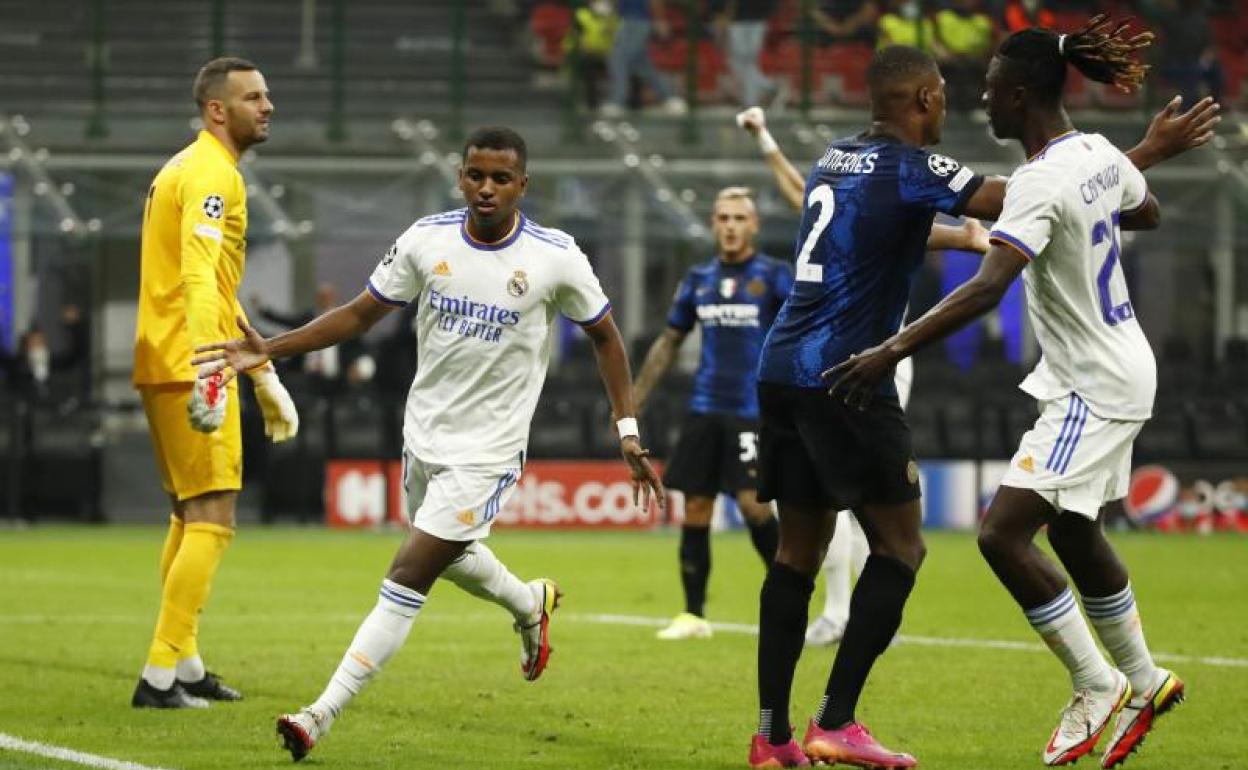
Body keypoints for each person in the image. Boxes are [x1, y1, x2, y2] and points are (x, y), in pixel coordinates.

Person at [745, 39, 1216, 768]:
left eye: (989, 90)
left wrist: (965, 236)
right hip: (849, 373)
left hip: (781, 366)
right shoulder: (922, 165)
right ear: (923, 100)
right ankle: (837, 721)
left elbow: (883, 230)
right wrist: (1140, 154)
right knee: (903, 546)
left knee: (795, 556)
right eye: (945, 92)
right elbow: (1030, 197)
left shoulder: (834, 159)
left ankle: (772, 738)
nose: (966, 103)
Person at [191, 126, 665, 762]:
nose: (487, 188)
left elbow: (606, 336)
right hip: (424, 434)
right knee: (448, 553)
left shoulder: (555, 257)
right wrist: (271, 348)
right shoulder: (426, 240)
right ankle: (530, 603)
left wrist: (626, 429)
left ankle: (318, 713)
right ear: (460, 177)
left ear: (523, 185)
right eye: (476, 175)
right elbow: (361, 313)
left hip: (490, 450)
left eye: (501, 178)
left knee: (409, 571)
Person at [733, 105, 985, 648]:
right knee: (860, 511)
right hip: (853, 356)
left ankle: (849, 614)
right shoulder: (876, 179)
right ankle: (848, 612)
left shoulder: (849, 171)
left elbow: (805, 194)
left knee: (852, 510)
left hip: (862, 357)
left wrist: (765, 138)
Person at [130, 57, 300, 709]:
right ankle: (157, 674)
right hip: (189, 361)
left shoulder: (187, 166)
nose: (269, 106)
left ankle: (187, 662)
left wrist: (262, 374)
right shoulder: (210, 175)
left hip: (165, 355)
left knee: (186, 511)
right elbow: (200, 281)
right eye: (255, 97)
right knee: (214, 517)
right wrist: (212, 368)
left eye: (268, 94)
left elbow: (213, 285)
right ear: (217, 110)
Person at [632, 186, 789, 641]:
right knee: (696, 506)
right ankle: (693, 615)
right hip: (704, 408)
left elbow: (799, 332)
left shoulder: (775, 276)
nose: (731, 226)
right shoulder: (698, 278)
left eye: (739, 218)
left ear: (754, 225)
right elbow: (669, 341)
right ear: (713, 224)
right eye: (723, 218)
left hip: (750, 411)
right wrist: (634, 401)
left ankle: (787, 598)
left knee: (752, 506)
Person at [601, 0, 689, 117]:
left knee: (618, 60)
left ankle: (617, 101)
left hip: (637, 22)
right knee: (644, 65)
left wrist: (660, 20)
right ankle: (672, 99)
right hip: (627, 22)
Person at [715, 0, 779, 107]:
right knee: (740, 61)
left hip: (757, 20)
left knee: (747, 61)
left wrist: (766, 14)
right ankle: (765, 87)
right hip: (738, 21)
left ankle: (751, 100)